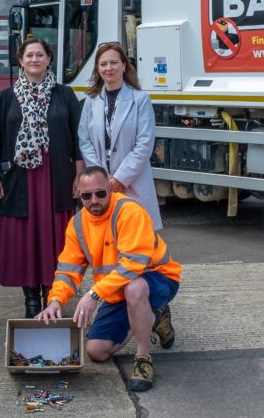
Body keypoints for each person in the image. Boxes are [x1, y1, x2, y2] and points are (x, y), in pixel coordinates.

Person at [36, 166, 181, 392]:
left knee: (134, 288)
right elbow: (67, 269)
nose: (94, 200)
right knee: (96, 351)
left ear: (110, 189)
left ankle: (143, 358)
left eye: (100, 193)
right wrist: (55, 301)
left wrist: (94, 294)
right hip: (116, 290)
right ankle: (153, 317)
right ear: (79, 194)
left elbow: (133, 266)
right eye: (86, 196)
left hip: (158, 280)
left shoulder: (129, 212)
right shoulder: (77, 224)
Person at [0, 37, 85, 317]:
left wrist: (79, 176)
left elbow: (79, 138)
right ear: (21, 60)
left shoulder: (64, 95)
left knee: (57, 238)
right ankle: (30, 298)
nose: (35, 59)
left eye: (40, 54)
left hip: (57, 179)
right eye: (29, 55)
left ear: (49, 59)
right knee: (24, 238)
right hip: (19, 179)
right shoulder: (7, 97)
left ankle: (54, 296)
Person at [78, 41, 161, 230]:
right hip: (101, 187)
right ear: (98, 69)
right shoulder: (91, 101)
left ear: (124, 65)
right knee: (105, 239)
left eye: (114, 63)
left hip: (133, 182)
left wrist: (121, 178)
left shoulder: (140, 100)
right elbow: (85, 141)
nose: (109, 68)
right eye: (103, 64)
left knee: (135, 237)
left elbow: (145, 144)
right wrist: (101, 177)